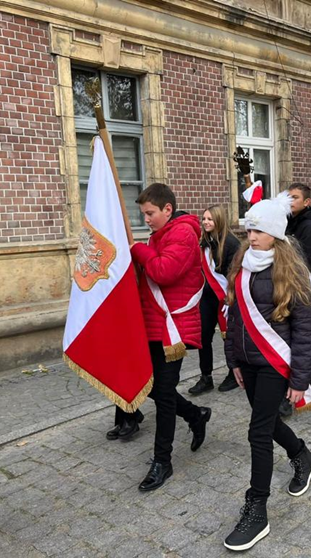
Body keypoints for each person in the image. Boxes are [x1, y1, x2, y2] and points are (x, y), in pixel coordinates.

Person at [223, 194, 311, 552]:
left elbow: (305, 328)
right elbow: (234, 316)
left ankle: (257, 508)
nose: (252, 236)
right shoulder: (241, 262)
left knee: (257, 432)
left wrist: (300, 378)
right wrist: (232, 359)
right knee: (266, 423)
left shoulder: (291, 270)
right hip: (247, 361)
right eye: (249, 229)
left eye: (259, 230)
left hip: (276, 363)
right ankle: (303, 456)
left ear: (276, 234)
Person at [129, 183, 211, 492]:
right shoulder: (159, 235)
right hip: (153, 325)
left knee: (163, 393)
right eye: (143, 214)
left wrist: (137, 248)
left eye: (150, 213)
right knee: (151, 389)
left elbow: (163, 271)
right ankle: (196, 414)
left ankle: (162, 460)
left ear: (167, 209)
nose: (146, 219)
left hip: (172, 330)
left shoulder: (183, 233)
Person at [189, 205, 241, 395]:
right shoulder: (204, 242)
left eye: (210, 219)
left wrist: (231, 297)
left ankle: (233, 373)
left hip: (226, 296)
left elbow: (234, 274)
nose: (206, 222)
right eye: (204, 219)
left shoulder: (232, 244)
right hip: (208, 297)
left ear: (219, 220)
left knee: (229, 336)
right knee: (203, 336)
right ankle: (206, 377)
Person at [284, 183, 311, 407]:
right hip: (291, 284)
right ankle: (309, 374)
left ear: (306, 202)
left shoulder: (309, 226)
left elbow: (302, 260)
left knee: (300, 335)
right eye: (288, 196)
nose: (290, 201)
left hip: (302, 288)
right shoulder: (290, 221)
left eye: (295, 198)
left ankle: (309, 379)